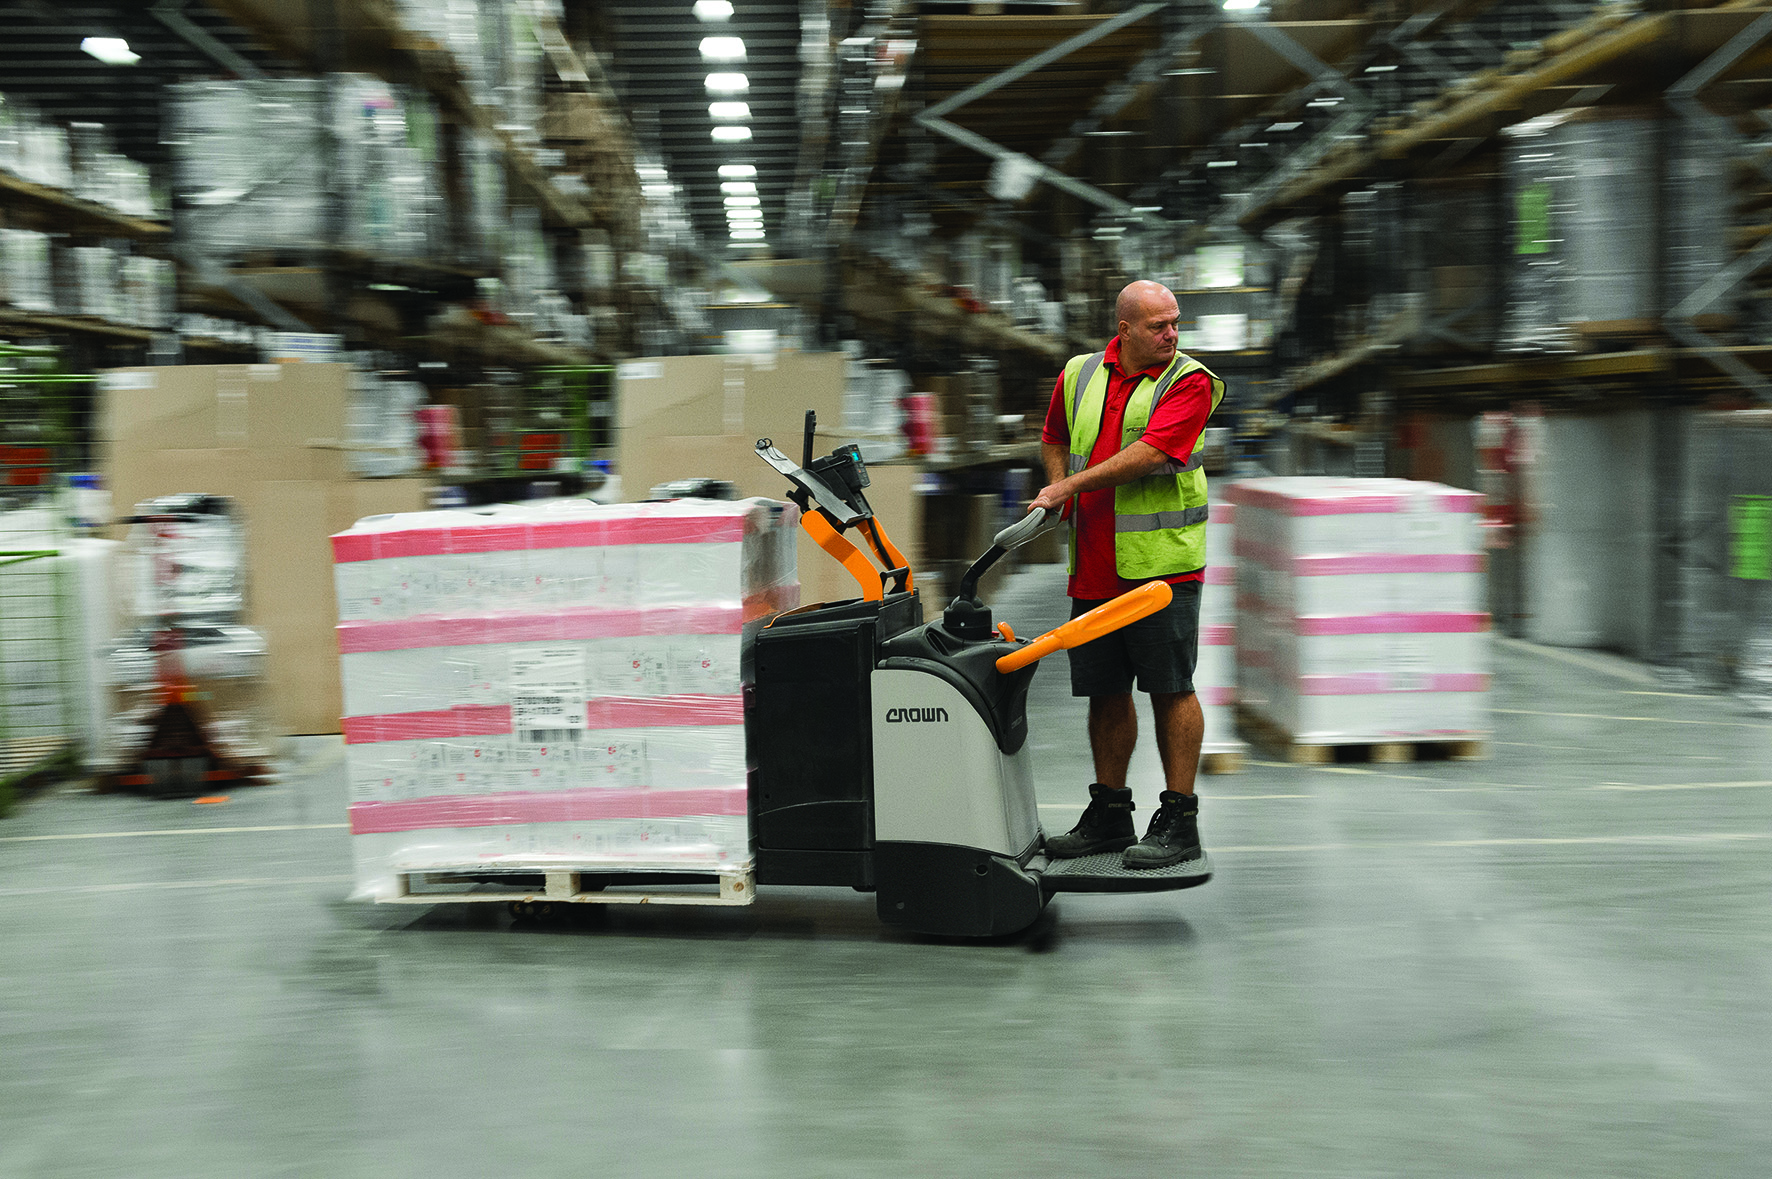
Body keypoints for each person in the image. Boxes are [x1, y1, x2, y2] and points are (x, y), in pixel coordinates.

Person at [1027, 279, 1223, 869]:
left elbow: (1152, 455)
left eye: (1176, 323)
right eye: (1159, 326)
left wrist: (1066, 486)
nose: (1172, 334)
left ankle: (1180, 821)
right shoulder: (1079, 373)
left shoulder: (1190, 381)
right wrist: (1059, 484)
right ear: (1125, 329)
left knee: (1171, 687)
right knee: (1105, 691)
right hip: (1094, 565)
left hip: (1163, 570)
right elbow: (1054, 437)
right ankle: (1110, 815)